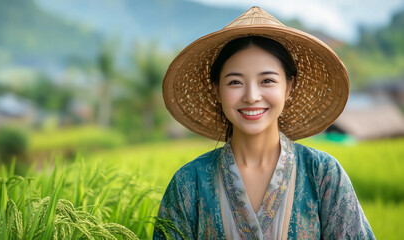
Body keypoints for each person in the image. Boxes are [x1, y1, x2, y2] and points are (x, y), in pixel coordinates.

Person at [154, 6, 375, 240]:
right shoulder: (189, 183)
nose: (251, 96)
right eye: (235, 82)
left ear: (289, 87)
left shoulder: (322, 174)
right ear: (216, 90)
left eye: (267, 80)